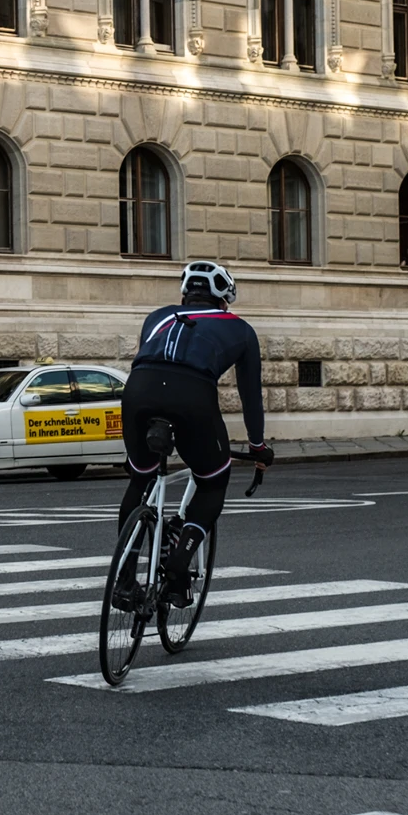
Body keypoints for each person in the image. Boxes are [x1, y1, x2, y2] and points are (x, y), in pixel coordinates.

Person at [115, 260, 271, 609]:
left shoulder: (157, 316)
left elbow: (148, 359)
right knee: (214, 479)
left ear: (185, 294)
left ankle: (124, 581)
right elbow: (251, 397)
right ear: (225, 300)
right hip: (193, 396)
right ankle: (179, 560)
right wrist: (258, 446)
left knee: (139, 479)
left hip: (139, 391)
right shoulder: (241, 329)